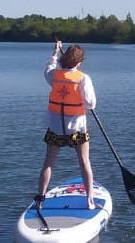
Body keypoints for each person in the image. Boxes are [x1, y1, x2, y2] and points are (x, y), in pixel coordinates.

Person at [36, 39, 97, 210]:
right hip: (76, 128)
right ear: (79, 62)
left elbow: (47, 69)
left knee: (48, 162)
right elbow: (91, 103)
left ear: (64, 60)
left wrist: (55, 52)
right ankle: (89, 200)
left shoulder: (55, 76)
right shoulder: (83, 78)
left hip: (55, 126)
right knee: (84, 161)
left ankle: (40, 199)